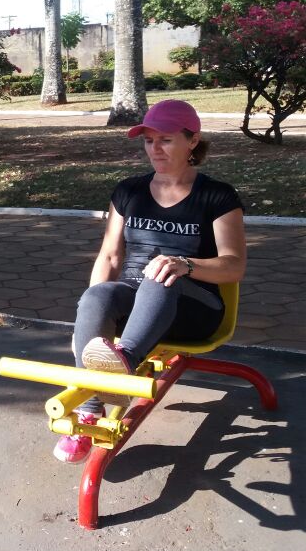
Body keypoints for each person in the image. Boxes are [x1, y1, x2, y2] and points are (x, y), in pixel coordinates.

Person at [54, 99, 246, 464]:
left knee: (161, 276)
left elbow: (233, 266)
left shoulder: (217, 196)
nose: (155, 149)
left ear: (193, 141)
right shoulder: (129, 192)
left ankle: (123, 363)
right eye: (148, 140)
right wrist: (86, 329)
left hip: (194, 307)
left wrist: (185, 264)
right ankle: (90, 411)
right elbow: (110, 258)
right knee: (97, 296)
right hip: (134, 303)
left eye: (166, 140)